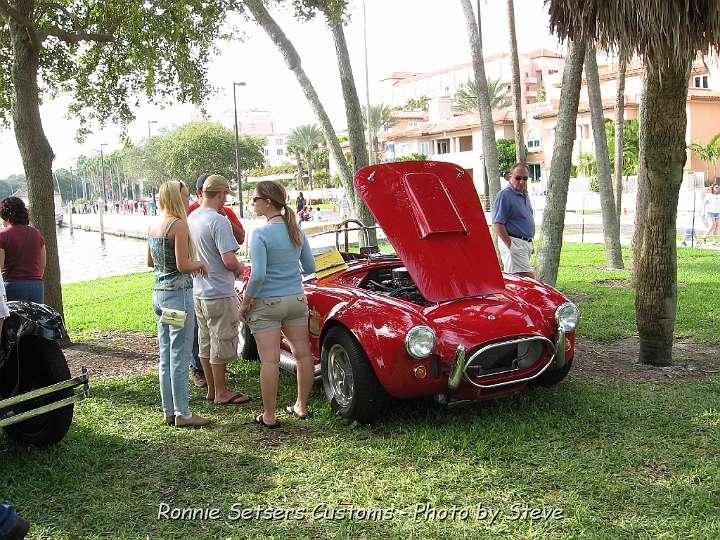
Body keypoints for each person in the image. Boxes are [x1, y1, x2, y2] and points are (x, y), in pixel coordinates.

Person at [240, 180, 316, 429]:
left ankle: (269, 416)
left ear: (268, 202)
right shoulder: (296, 229)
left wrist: (245, 302)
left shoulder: (260, 233)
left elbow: (259, 274)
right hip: (295, 299)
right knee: (303, 355)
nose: (253, 203)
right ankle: (301, 406)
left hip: (267, 303)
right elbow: (310, 268)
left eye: (255, 199)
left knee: (270, 361)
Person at [147, 181, 210, 428]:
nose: (187, 201)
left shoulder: (154, 224)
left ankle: (169, 411)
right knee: (180, 355)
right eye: (184, 197)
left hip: (159, 296)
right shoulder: (178, 225)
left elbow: (151, 262)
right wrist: (200, 264)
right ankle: (183, 413)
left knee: (165, 355)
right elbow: (184, 265)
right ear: (175, 198)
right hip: (178, 297)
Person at [188, 175, 250, 406]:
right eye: (225, 195)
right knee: (221, 340)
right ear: (221, 194)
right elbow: (229, 260)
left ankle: (212, 390)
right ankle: (222, 391)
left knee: (205, 341)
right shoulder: (218, 221)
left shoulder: (193, 217)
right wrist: (241, 267)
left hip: (199, 290)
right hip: (219, 291)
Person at [492, 163, 535, 278]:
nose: (521, 181)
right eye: (518, 178)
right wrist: (511, 245)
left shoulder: (525, 194)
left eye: (525, 178)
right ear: (510, 176)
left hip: (525, 244)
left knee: (519, 282)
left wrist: (529, 242)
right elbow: (497, 224)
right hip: (514, 242)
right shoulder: (504, 195)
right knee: (527, 279)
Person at [0, 197, 46, 303]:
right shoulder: (37, 234)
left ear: (5, 216)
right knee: (35, 319)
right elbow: (42, 265)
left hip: (12, 286)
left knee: (14, 319)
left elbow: (0, 268)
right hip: (36, 287)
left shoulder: (2, 236)